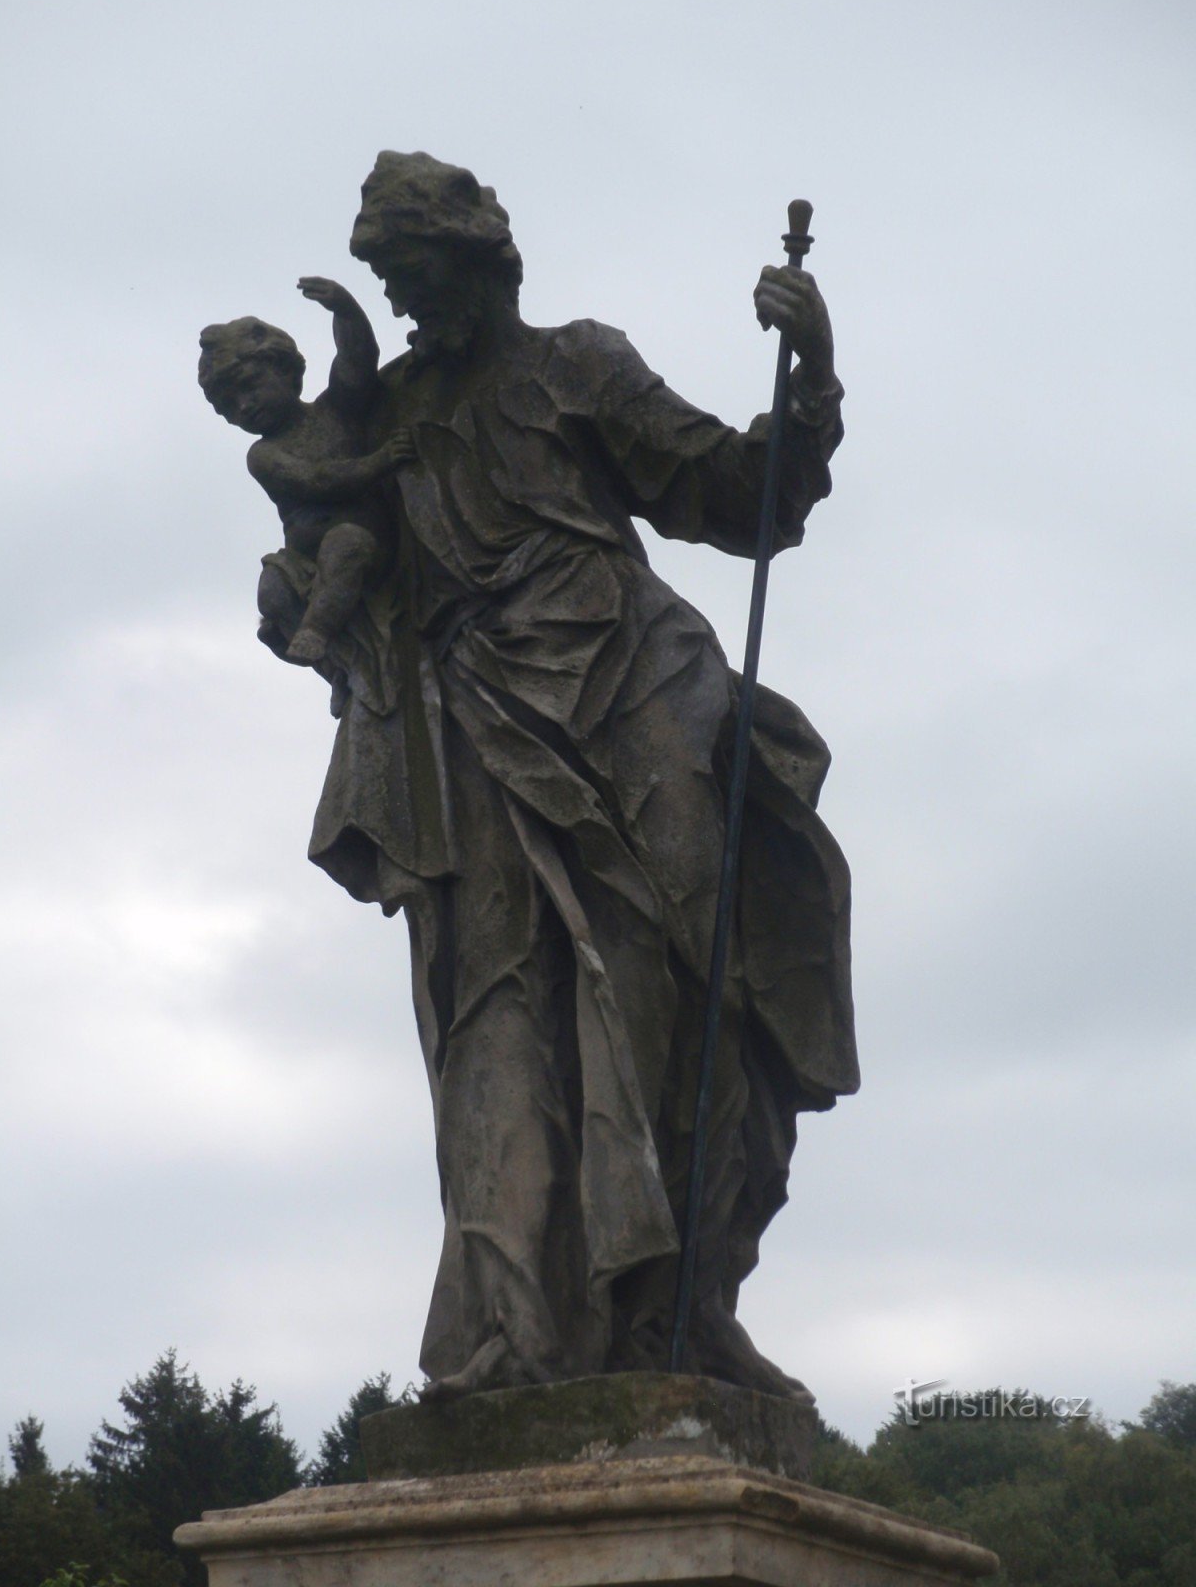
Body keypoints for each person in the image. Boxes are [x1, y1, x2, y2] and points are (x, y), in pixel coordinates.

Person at [268, 152, 859, 1400]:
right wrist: (299, 592)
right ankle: (513, 1333)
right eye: (391, 279)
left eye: (420, 270)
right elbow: (328, 556)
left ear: (484, 255)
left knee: (695, 1002)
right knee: (493, 1017)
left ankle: (679, 1314)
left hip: (637, 700)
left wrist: (808, 377)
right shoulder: (387, 413)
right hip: (472, 726)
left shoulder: (576, 364)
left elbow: (734, 498)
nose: (410, 300)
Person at [198, 278, 415, 666]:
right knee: (272, 587)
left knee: (346, 543)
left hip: (368, 548)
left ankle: (317, 634)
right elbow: (316, 481)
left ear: (285, 369)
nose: (243, 407)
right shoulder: (264, 455)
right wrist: (379, 461)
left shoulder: (335, 411)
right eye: (228, 406)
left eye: (248, 387)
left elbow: (357, 362)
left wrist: (345, 310)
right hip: (304, 561)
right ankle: (338, 668)